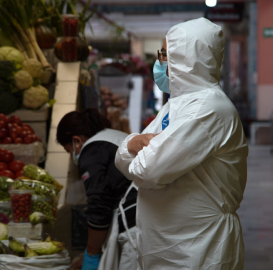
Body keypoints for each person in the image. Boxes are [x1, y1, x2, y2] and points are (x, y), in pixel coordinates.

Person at [115, 18, 248, 270]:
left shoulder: (208, 109)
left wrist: (134, 147)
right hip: (169, 247)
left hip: (199, 249)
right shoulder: (174, 107)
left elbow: (147, 171)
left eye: (165, 54)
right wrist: (133, 143)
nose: (160, 62)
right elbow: (122, 159)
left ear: (187, 58)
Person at [56, 108, 138, 270]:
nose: (72, 155)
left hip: (135, 224)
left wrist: (92, 253)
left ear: (77, 142)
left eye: (69, 151)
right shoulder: (114, 137)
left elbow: (99, 206)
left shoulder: (91, 150)